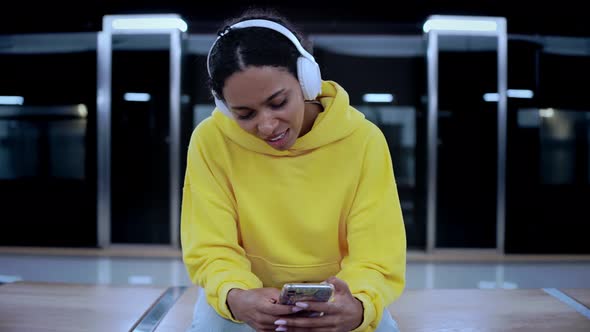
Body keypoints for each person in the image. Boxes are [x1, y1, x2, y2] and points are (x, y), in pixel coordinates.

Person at [181, 7, 406, 332]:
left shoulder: (363, 141)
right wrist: (236, 296)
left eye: (277, 102)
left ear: (306, 80)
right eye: (245, 114)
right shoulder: (210, 141)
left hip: (344, 294)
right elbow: (210, 246)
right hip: (245, 293)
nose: (267, 125)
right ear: (225, 108)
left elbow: (377, 252)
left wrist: (358, 305)